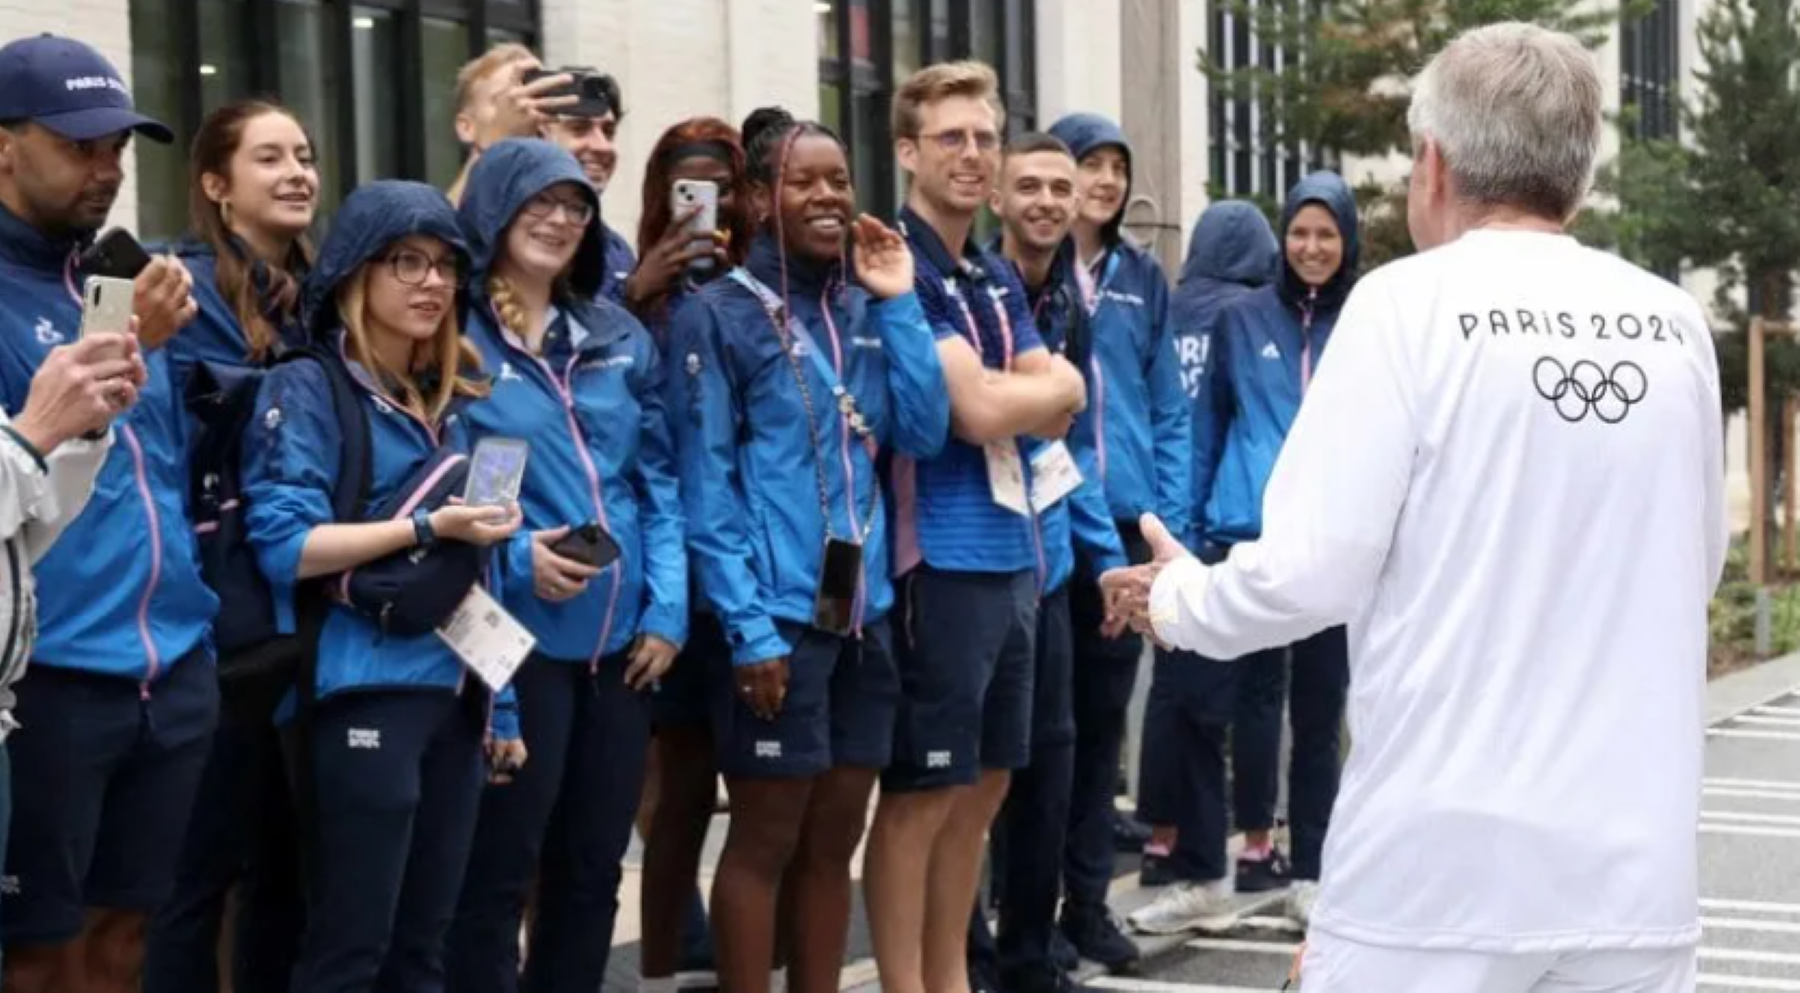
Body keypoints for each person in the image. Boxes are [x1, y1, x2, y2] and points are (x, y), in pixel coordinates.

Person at [1106, 22, 1723, 993]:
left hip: (1436, 880)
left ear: (1433, 163)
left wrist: (1180, 600)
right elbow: (1699, 562)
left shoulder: (1401, 308)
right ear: (1581, 172)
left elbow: (1311, 566)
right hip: (1636, 877)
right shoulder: (1674, 321)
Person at [667, 106, 948, 993]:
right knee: (763, 841)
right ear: (756, 196)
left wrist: (900, 300)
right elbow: (704, 489)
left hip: (862, 618)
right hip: (775, 622)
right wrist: (748, 630)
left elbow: (925, 428)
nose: (827, 196)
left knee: (836, 844)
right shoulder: (715, 315)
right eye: (803, 180)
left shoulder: (864, 305)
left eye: (839, 180)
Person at [242, 179, 524, 993]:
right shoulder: (309, 386)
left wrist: (501, 706)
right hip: (356, 693)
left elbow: (481, 570)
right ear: (355, 273)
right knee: (348, 952)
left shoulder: (445, 406)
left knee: (420, 955)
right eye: (407, 261)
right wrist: (429, 526)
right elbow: (287, 547)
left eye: (445, 266)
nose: (432, 282)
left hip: (454, 703)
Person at [0, 34, 221, 993]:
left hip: (169, 665)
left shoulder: (128, 278)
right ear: (6, 144)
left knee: (127, 934)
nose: (107, 167)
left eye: (118, 146)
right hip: (48, 677)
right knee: (37, 954)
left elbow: (155, 463)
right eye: (80, 145)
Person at [864, 61, 1088, 993]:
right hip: (939, 558)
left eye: (985, 137)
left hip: (1017, 556)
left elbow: (1065, 392)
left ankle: (951, 974)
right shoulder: (898, 264)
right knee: (923, 792)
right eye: (951, 137)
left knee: (988, 785)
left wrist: (1030, 393)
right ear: (909, 151)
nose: (972, 154)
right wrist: (1029, 394)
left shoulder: (991, 271)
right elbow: (977, 412)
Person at [445, 137, 686, 993]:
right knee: (499, 870)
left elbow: (657, 478)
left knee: (591, 872)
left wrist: (667, 612)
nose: (558, 219)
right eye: (539, 201)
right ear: (496, 209)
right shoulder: (456, 340)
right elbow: (435, 486)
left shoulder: (613, 331)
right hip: (513, 647)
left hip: (622, 650)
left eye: (576, 207)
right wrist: (514, 554)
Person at [145, 97, 317, 993]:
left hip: (317, 618)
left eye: (304, 154)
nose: (297, 172)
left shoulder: (325, 298)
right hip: (213, 624)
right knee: (195, 876)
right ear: (216, 184)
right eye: (269, 158)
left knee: (287, 872)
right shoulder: (175, 291)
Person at [968, 131, 1129, 993]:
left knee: (1051, 762)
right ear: (998, 197)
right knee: (969, 780)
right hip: (970, 563)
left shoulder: (1071, 306)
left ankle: (1028, 959)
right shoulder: (971, 293)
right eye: (1027, 186)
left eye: (1059, 189)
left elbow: (1079, 454)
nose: (1046, 202)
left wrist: (1105, 562)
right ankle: (964, 957)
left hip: (1053, 557)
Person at [1041, 111, 1190, 971]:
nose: (1102, 180)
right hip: (1050, 528)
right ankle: (1014, 910)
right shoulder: (1031, 272)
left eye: (1113, 167)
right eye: (1086, 164)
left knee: (1101, 734)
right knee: (1037, 737)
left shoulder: (1142, 277)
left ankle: (1086, 904)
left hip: (1126, 532)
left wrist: (1160, 519)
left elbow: (1166, 405)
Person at [1126, 200, 1282, 936]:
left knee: (1176, 694)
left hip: (1160, 518)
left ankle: (1167, 836)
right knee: (1255, 694)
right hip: (1241, 520)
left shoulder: (1169, 307)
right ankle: (1255, 840)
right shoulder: (1259, 314)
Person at [629, 115, 752, 990]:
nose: (702, 198)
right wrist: (638, 291)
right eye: (685, 181)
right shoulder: (624, 282)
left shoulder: (762, 287)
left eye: (717, 180)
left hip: (752, 570)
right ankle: (662, 966)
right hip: (667, 569)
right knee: (673, 799)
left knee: (759, 797)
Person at [445, 45, 635, 300]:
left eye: (609, 132)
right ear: (467, 126)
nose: (529, 117)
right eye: (509, 103)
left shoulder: (613, 249)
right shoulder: (447, 224)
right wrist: (498, 145)